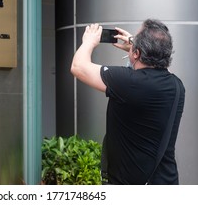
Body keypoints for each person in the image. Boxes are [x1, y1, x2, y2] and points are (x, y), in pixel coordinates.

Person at [70, 19, 185, 185]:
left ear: (137, 53)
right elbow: (158, 70)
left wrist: (89, 42)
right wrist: (136, 48)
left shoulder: (128, 82)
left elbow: (78, 67)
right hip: (166, 182)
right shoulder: (177, 86)